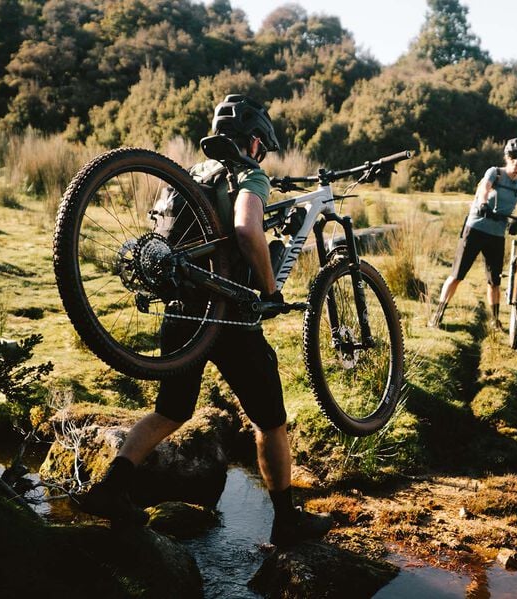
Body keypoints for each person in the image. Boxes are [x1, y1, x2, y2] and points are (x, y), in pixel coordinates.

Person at [76, 94, 332, 548]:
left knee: (171, 411)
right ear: (255, 142)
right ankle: (285, 521)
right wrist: (271, 293)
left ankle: (110, 489)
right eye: (263, 149)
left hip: (180, 313)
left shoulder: (191, 174)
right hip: (228, 320)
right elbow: (247, 230)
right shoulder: (247, 173)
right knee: (270, 420)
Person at [429, 138, 517, 329]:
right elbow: (484, 188)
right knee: (457, 275)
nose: (516, 161)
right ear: (506, 157)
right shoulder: (495, 173)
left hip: (496, 236)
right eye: (513, 156)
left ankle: (494, 320)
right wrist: (483, 204)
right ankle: (437, 315)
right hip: (475, 228)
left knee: (494, 281)